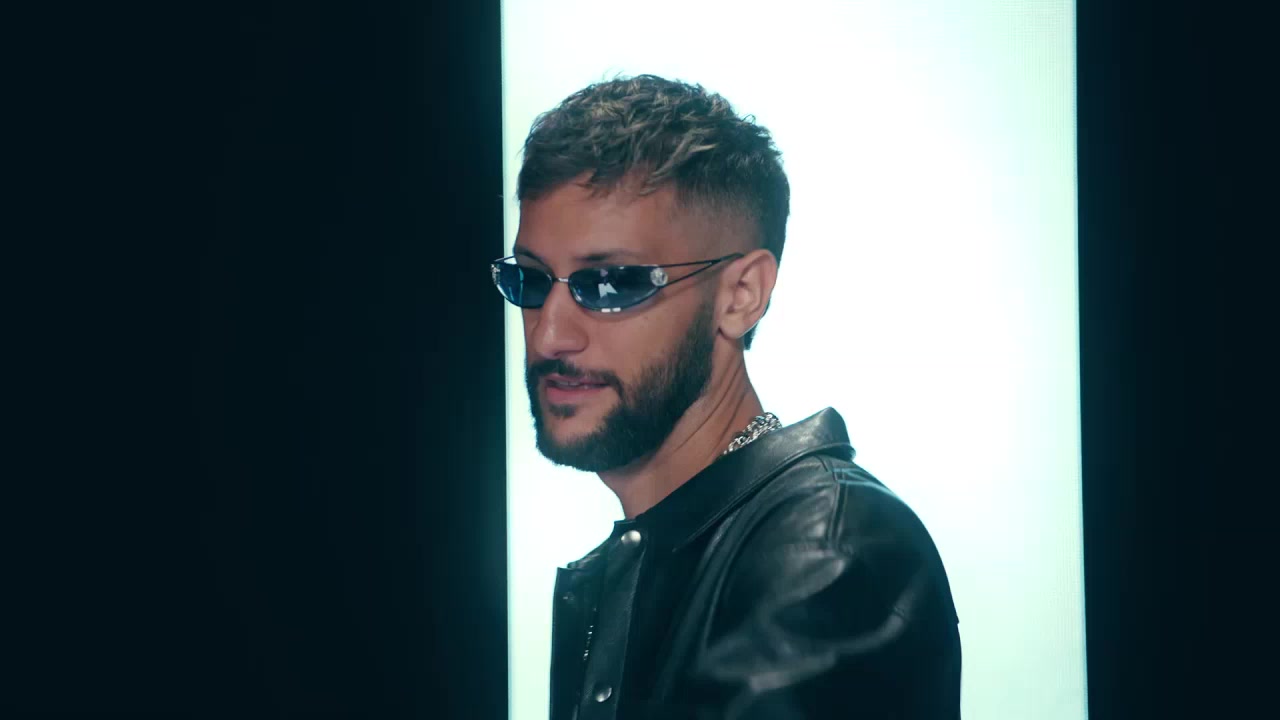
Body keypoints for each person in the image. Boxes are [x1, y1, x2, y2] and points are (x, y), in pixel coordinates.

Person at [492, 75, 961, 720]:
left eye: (610, 284)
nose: (550, 334)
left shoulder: (829, 548)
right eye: (531, 281)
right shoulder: (661, 549)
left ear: (741, 295)